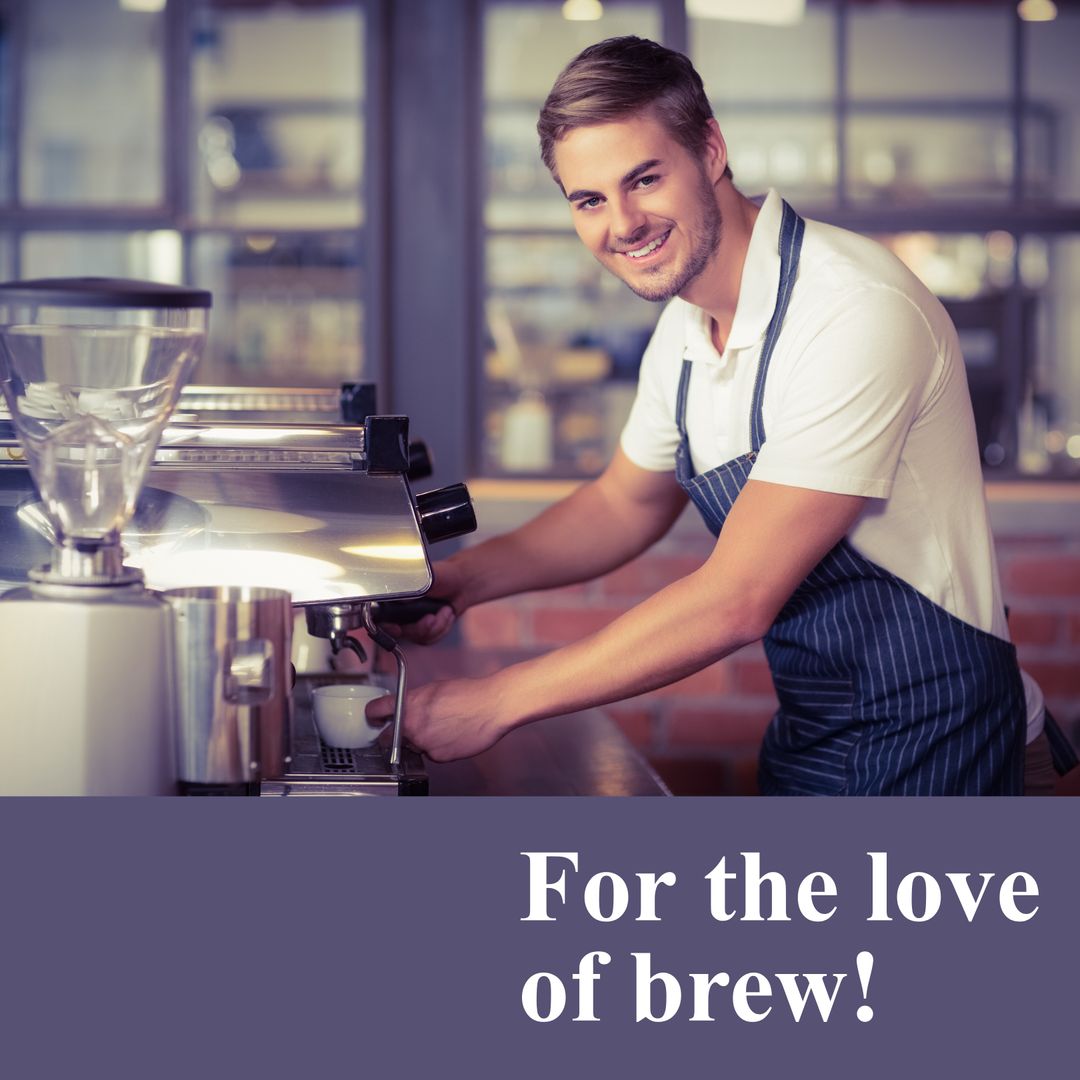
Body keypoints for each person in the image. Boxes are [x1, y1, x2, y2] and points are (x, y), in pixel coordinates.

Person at [371, 35, 1077, 795]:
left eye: (644, 179)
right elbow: (622, 504)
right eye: (590, 200)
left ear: (710, 150)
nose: (623, 223)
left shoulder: (851, 311)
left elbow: (738, 597)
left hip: (951, 744)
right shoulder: (685, 329)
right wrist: (460, 580)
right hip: (818, 737)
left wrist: (497, 702)